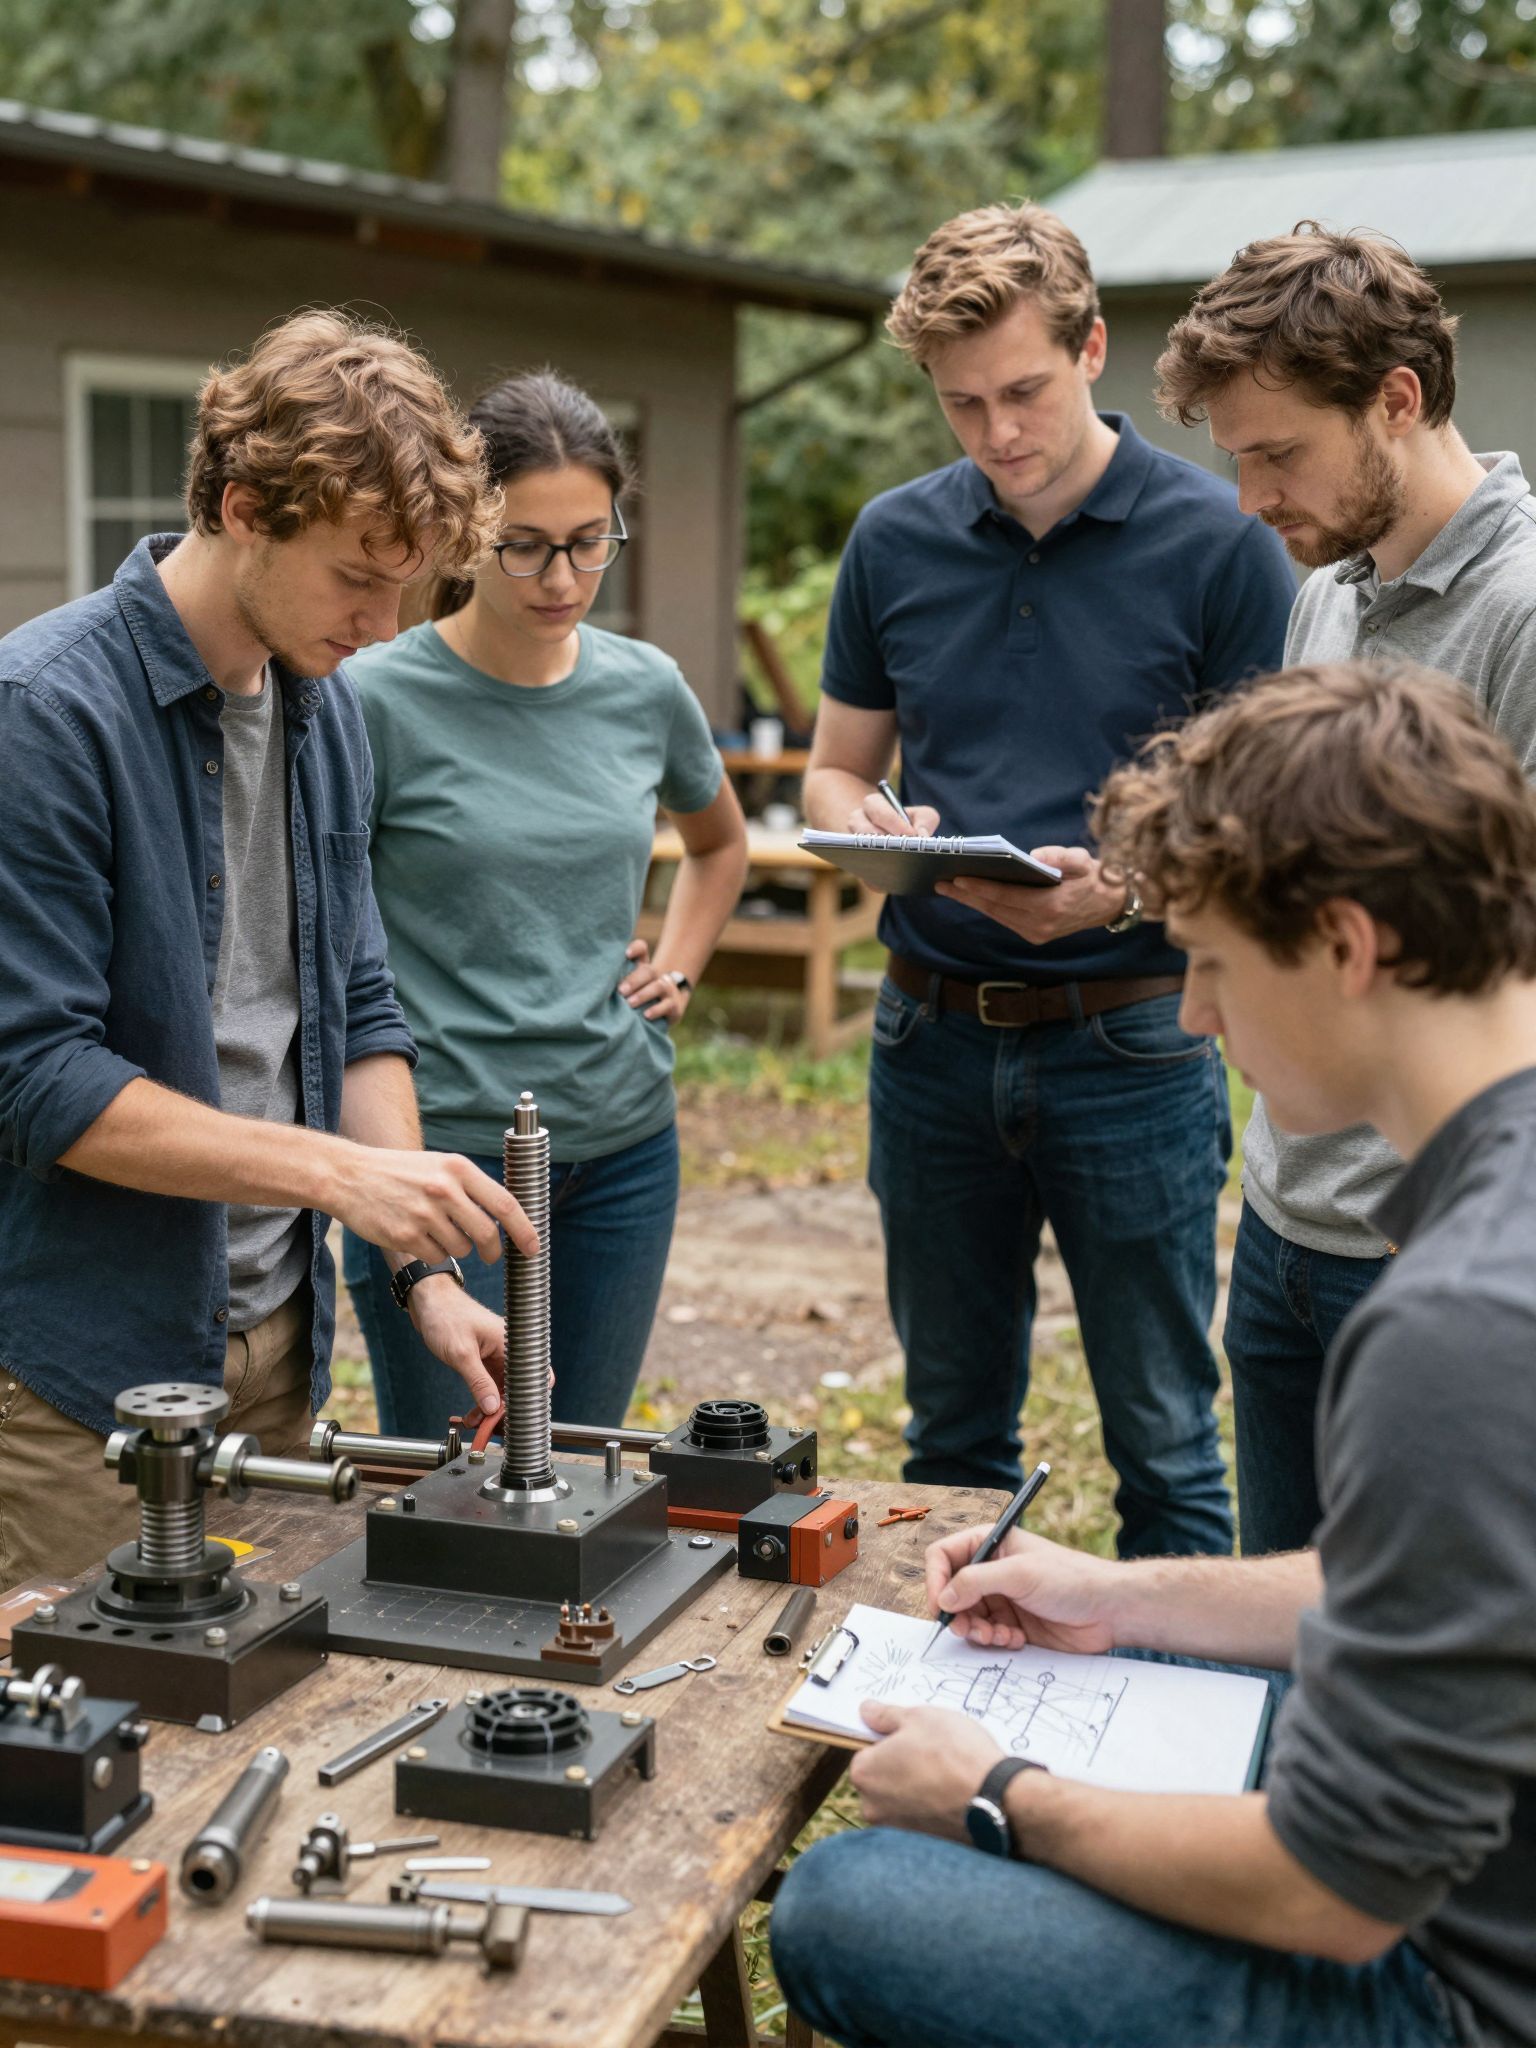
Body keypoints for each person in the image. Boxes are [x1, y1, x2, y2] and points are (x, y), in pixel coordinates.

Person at [772, 657, 1536, 2048]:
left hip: (1456, 1986)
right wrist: (1124, 1598)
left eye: (1217, 966)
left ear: (1350, 946)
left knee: (852, 1897)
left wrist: (999, 1790)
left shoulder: (1459, 1320)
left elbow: (1339, 1892)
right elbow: (1446, 1580)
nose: (1193, 1017)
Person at [0, 309, 538, 1592]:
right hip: (82, 1384)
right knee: (96, 1762)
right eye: (358, 576)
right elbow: (38, 1080)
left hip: (276, 1356)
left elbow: (353, 1001)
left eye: (405, 584)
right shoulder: (44, 713)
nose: (384, 619)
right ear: (244, 506)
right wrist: (342, 1177)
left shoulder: (324, 711)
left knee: (254, 1737)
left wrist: (424, 1268)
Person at [802, 201, 1294, 1557]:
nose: (998, 433)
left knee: (1166, 1442)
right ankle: (966, 1755)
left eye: (1022, 391)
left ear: (1091, 350)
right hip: (930, 1041)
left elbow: (1265, 813)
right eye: (962, 406)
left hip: (1132, 1039)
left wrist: (1123, 890)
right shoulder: (893, 542)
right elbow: (834, 776)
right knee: (949, 1441)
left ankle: (1171, 1754)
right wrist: (879, 832)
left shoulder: (1222, 541)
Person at [1155, 223, 1536, 1554]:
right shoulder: (1328, 589)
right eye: (1236, 458)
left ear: (1397, 400)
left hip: (1434, 1238)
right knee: (1288, 1638)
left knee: (1415, 1655)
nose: (1252, 498)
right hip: (1282, 1213)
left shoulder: (1528, 612)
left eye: (1278, 453)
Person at [342, 370, 747, 1436]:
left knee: (583, 1472)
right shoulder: (374, 698)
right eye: (526, 543)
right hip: (443, 1162)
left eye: (589, 539)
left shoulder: (646, 686)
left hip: (623, 1146)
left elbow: (719, 841)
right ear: (469, 531)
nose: (562, 575)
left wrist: (684, 967)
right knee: (457, 1488)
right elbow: (322, 930)